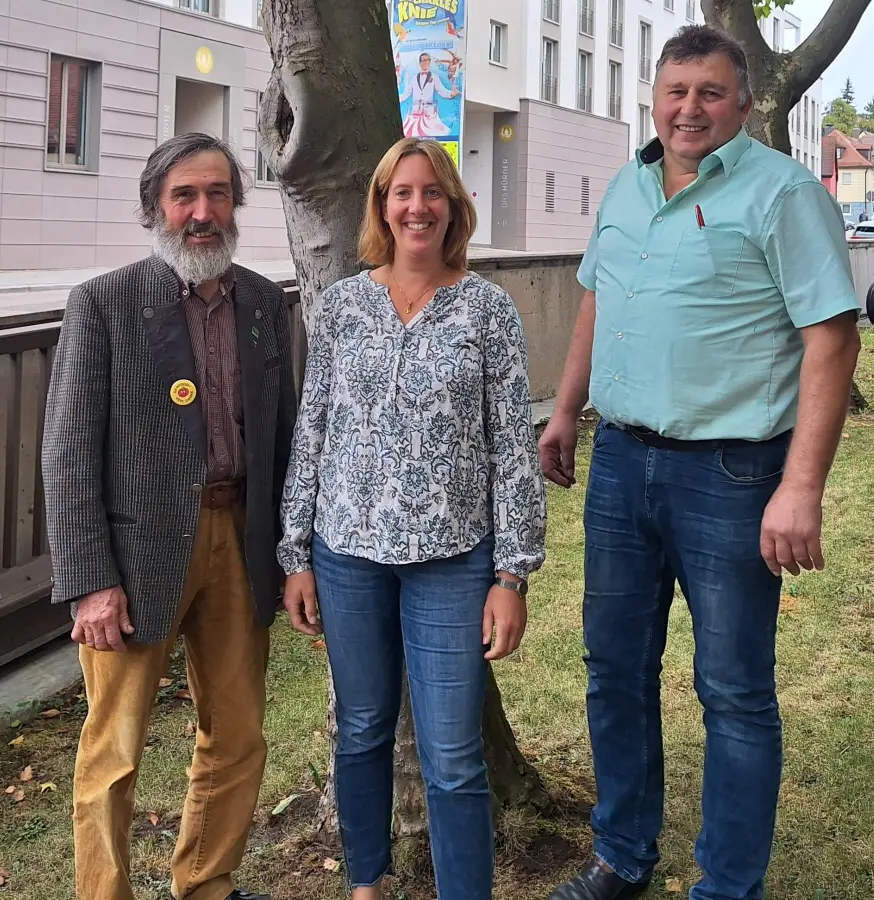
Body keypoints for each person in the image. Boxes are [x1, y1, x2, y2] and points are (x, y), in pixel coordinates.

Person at [540, 25, 861, 900]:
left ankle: (726, 884)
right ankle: (621, 856)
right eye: (676, 91)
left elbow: (831, 340)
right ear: (653, 98)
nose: (690, 109)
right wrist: (567, 411)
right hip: (620, 468)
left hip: (733, 475)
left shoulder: (783, 194)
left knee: (733, 691)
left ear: (743, 104)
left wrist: (802, 488)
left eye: (710, 93)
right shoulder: (627, 185)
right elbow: (598, 303)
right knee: (613, 669)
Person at [278, 136, 546, 900]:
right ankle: (367, 884)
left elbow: (510, 448)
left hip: (453, 561)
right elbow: (314, 429)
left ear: (452, 206)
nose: (417, 206)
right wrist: (295, 554)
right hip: (347, 554)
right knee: (362, 731)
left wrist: (512, 574)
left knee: (453, 752)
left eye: (432, 192)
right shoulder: (341, 307)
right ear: (382, 206)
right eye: (402, 192)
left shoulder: (487, 310)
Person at [42, 132, 296, 900]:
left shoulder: (261, 302)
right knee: (114, 750)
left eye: (217, 194)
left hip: (239, 539)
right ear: (156, 205)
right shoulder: (104, 304)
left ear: (236, 206)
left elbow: (282, 434)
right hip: (135, 557)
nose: (202, 212)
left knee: (239, 734)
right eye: (185, 196)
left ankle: (207, 882)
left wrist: (289, 553)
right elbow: (68, 450)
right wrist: (90, 581)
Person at [400, 52, 459, 138]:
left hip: (429, 114)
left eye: (428, 60)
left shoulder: (435, 77)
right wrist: (397, 99)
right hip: (415, 114)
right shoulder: (414, 78)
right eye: (424, 60)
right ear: (420, 63)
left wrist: (452, 94)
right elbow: (407, 93)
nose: (426, 62)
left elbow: (442, 91)